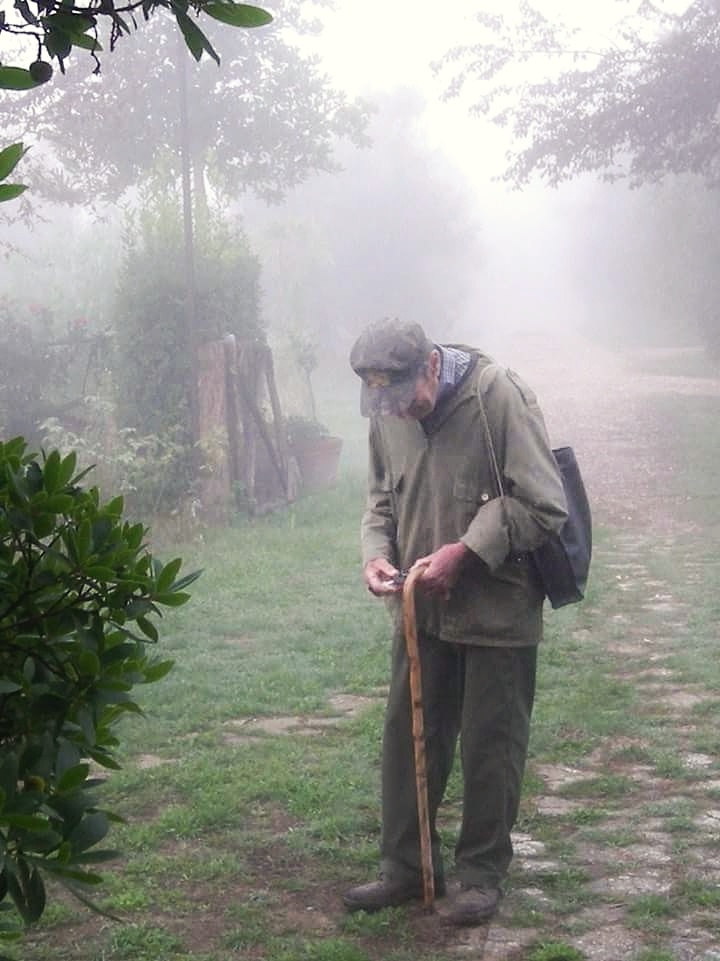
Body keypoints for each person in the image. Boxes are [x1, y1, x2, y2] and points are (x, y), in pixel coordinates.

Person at [343, 318, 568, 926]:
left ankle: (480, 876)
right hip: (421, 611)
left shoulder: (499, 395)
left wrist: (465, 552)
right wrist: (375, 554)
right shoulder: (387, 414)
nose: (396, 413)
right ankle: (405, 867)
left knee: (492, 746)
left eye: (404, 397)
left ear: (433, 367)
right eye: (380, 401)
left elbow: (545, 503)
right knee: (407, 739)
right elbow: (380, 500)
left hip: (497, 608)